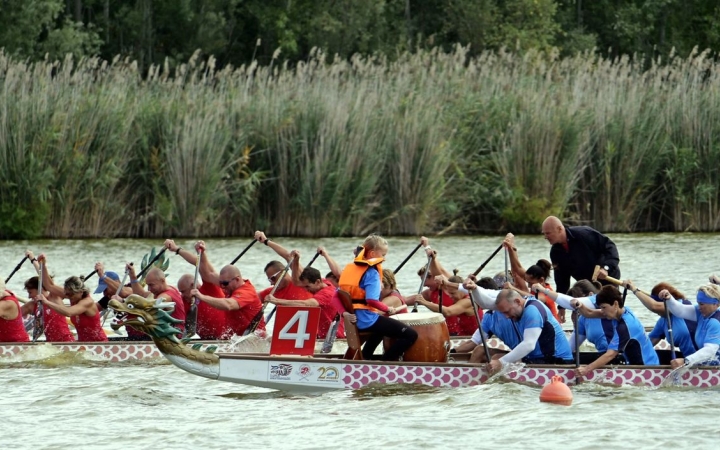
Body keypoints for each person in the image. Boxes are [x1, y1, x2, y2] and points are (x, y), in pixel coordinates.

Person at [337, 234, 418, 361]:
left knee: (380, 330)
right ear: (373, 253)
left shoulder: (350, 269)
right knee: (411, 335)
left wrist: (344, 314)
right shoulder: (372, 273)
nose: (384, 258)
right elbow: (371, 300)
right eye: (383, 254)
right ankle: (386, 363)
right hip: (366, 321)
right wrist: (387, 309)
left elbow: (334, 297)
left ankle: (366, 357)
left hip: (354, 320)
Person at [464, 282, 572, 372]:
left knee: (497, 359)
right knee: (480, 351)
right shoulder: (514, 306)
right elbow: (485, 304)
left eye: (507, 312)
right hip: (533, 358)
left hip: (557, 361)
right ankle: (470, 385)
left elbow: (529, 345)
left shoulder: (533, 310)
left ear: (517, 302)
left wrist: (500, 362)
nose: (506, 317)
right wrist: (474, 288)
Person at [574, 285, 658, 378]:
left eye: (604, 307)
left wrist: (586, 369)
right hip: (641, 366)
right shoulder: (621, 311)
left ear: (615, 304)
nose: (602, 311)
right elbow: (589, 313)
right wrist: (580, 305)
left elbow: (610, 355)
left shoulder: (625, 326)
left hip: (646, 371)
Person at [190, 241, 265, 336]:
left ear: (237, 279)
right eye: (220, 283)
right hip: (238, 339)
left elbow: (229, 305)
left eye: (225, 283)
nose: (222, 287)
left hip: (255, 340)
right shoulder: (229, 283)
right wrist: (202, 253)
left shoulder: (246, 292)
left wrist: (201, 296)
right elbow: (209, 274)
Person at [266, 250, 345, 339]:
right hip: (323, 337)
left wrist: (275, 300)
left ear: (318, 282)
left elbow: (306, 304)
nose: (305, 289)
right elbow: (296, 282)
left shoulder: (326, 294)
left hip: (335, 339)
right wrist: (296, 261)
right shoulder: (323, 282)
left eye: (307, 286)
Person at [164, 239, 231, 340]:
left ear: (193, 285)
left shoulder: (209, 286)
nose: (181, 294)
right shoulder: (184, 301)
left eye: (183, 291)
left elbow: (201, 266)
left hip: (227, 339)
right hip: (205, 341)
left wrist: (177, 249)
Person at [541, 216, 620, 295]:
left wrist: (606, 268)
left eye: (548, 233)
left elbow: (610, 246)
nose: (545, 237)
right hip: (587, 287)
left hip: (608, 280)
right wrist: (561, 304)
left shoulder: (583, 234)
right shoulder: (555, 252)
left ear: (559, 229)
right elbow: (562, 280)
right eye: (544, 233)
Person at [35, 254, 107, 342]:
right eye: (67, 294)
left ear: (80, 292)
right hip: (83, 344)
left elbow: (69, 312)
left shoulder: (87, 302)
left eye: (70, 295)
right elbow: (49, 286)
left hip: (99, 344)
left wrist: (46, 302)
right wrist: (43, 265)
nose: (68, 297)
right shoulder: (73, 295)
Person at [624, 280, 697, 361]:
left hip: (702, 357)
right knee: (651, 354)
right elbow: (647, 343)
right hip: (687, 359)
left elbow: (654, 306)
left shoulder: (682, 305)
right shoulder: (663, 321)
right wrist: (625, 351)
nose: (656, 312)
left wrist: (634, 289)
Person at [662, 284, 720, 368]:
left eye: (702, 304)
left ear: (715, 304)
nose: (699, 307)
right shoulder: (703, 313)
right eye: (698, 303)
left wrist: (686, 361)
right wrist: (669, 298)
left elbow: (710, 350)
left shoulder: (715, 322)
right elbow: (680, 311)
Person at [503, 234, 559, 321]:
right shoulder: (534, 280)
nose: (529, 286)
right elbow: (517, 268)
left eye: (530, 283)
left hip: (552, 329)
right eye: (527, 282)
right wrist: (511, 247)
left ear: (541, 280)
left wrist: (512, 288)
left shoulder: (547, 293)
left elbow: (532, 298)